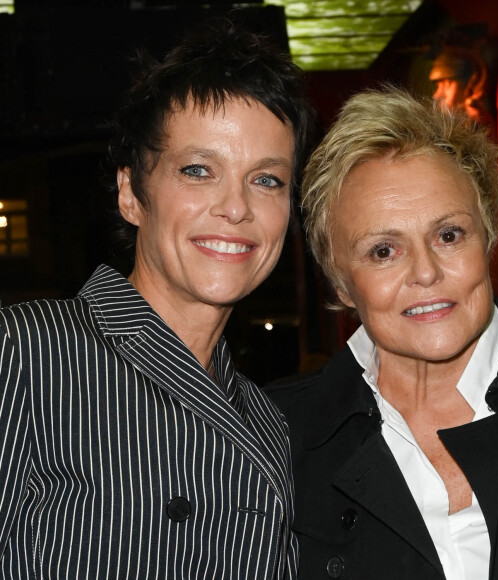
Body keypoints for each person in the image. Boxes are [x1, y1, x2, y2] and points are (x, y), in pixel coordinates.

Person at [0, 17, 315, 579]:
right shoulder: (25, 353)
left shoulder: (270, 423)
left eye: (266, 179)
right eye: (198, 171)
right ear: (131, 194)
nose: (236, 207)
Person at [265, 85, 498, 579]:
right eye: (383, 251)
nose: (426, 273)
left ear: (489, 236)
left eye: (449, 235)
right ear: (341, 281)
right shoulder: (270, 438)